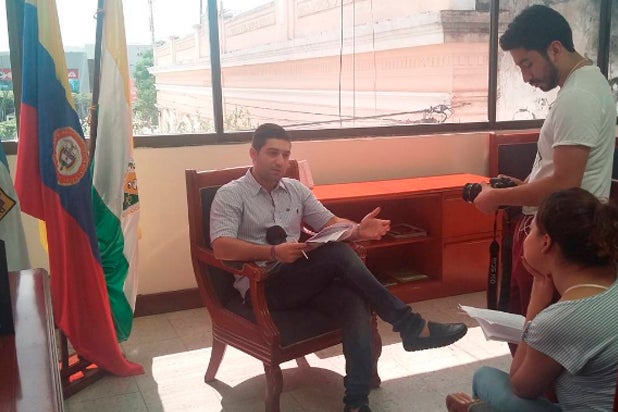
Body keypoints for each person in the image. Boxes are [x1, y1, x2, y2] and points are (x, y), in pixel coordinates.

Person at [210, 122, 468, 412]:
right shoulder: (231, 194)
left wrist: (358, 230)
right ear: (253, 154)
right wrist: (271, 251)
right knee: (337, 254)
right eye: (272, 153)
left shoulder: (295, 190)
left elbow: (330, 223)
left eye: (285, 154)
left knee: (353, 299)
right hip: (263, 284)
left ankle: (356, 402)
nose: (280, 161)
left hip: (299, 278)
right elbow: (221, 247)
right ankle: (410, 325)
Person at [473, 5, 617, 318]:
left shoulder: (579, 97)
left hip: (559, 240)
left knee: (536, 332)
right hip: (558, 231)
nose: (526, 77)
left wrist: (495, 198)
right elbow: (559, 170)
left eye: (528, 64)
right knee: (526, 324)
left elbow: (564, 184)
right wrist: (523, 187)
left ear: (555, 48)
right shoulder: (585, 85)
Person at [446, 187, 618, 412]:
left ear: (545, 243)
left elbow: (520, 386)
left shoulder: (560, 320)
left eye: (530, 229)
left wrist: (536, 304)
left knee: (485, 377)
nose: (526, 236)